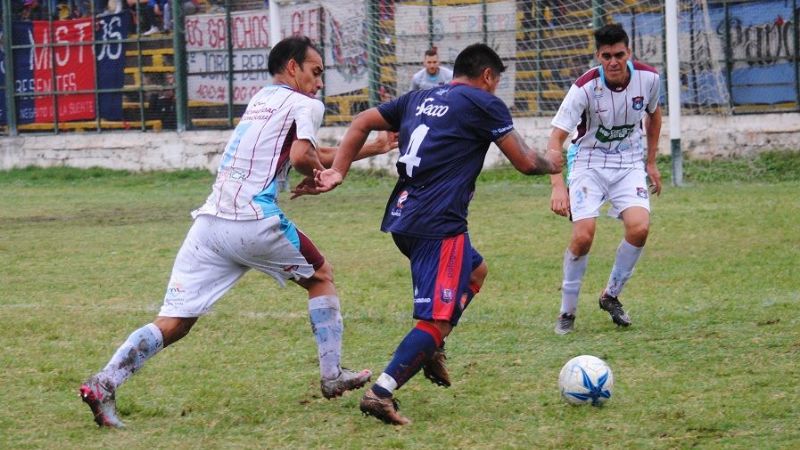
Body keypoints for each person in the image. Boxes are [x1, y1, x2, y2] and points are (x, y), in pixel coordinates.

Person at [79, 36, 396, 428]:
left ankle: (103, 382)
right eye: (315, 72)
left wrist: (370, 149)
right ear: (293, 67)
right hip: (253, 221)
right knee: (322, 277)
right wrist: (327, 176)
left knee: (175, 321)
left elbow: (302, 153)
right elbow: (302, 157)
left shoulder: (261, 100)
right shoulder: (306, 104)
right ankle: (332, 376)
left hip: (210, 225)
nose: (319, 83)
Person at [307, 43, 562, 425]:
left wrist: (340, 170)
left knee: (475, 272)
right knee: (436, 318)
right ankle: (382, 392)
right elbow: (525, 162)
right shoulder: (482, 102)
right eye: (495, 83)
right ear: (488, 76)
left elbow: (361, 121)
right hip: (438, 224)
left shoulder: (418, 98)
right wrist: (553, 163)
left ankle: (432, 349)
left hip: (403, 218)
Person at [548, 23, 662, 335]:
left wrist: (650, 162)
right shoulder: (584, 87)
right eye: (607, 56)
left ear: (629, 52)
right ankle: (567, 313)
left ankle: (610, 295)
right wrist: (558, 185)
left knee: (639, 228)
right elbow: (555, 139)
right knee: (584, 235)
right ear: (598, 56)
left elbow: (654, 114)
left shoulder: (649, 78)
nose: (613, 62)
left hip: (628, 162)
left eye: (619, 55)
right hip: (589, 162)